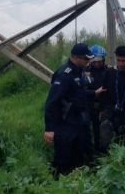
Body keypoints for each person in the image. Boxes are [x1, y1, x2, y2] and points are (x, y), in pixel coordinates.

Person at [43, 42, 105, 176]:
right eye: (86, 59)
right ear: (76, 58)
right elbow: (52, 102)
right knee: (63, 159)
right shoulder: (64, 74)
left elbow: (78, 93)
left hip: (78, 122)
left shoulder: (79, 72)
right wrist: (49, 128)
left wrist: (94, 93)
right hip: (65, 124)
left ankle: (78, 182)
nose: (89, 61)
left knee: (80, 155)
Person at [101, 45, 125, 146]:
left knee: (124, 144)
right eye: (118, 60)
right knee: (105, 142)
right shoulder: (109, 73)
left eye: (123, 61)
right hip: (109, 111)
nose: (121, 64)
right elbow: (103, 93)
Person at [86, 44, 110, 155]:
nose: (97, 63)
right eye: (94, 60)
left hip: (104, 107)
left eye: (99, 60)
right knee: (90, 133)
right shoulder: (84, 72)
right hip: (89, 107)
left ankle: (103, 153)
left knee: (104, 133)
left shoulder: (109, 71)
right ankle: (91, 156)